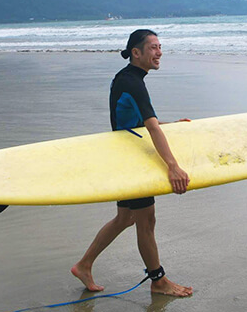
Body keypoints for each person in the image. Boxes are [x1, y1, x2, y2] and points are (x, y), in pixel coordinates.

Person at [71, 29, 193, 297]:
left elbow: (135, 121)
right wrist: (173, 166)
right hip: (132, 160)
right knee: (145, 220)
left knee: (126, 217)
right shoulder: (134, 82)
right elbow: (150, 127)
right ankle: (158, 281)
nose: (159, 52)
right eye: (153, 47)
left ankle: (84, 264)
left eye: (160, 46)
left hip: (123, 155)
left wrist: (171, 125)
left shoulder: (126, 78)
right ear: (136, 53)